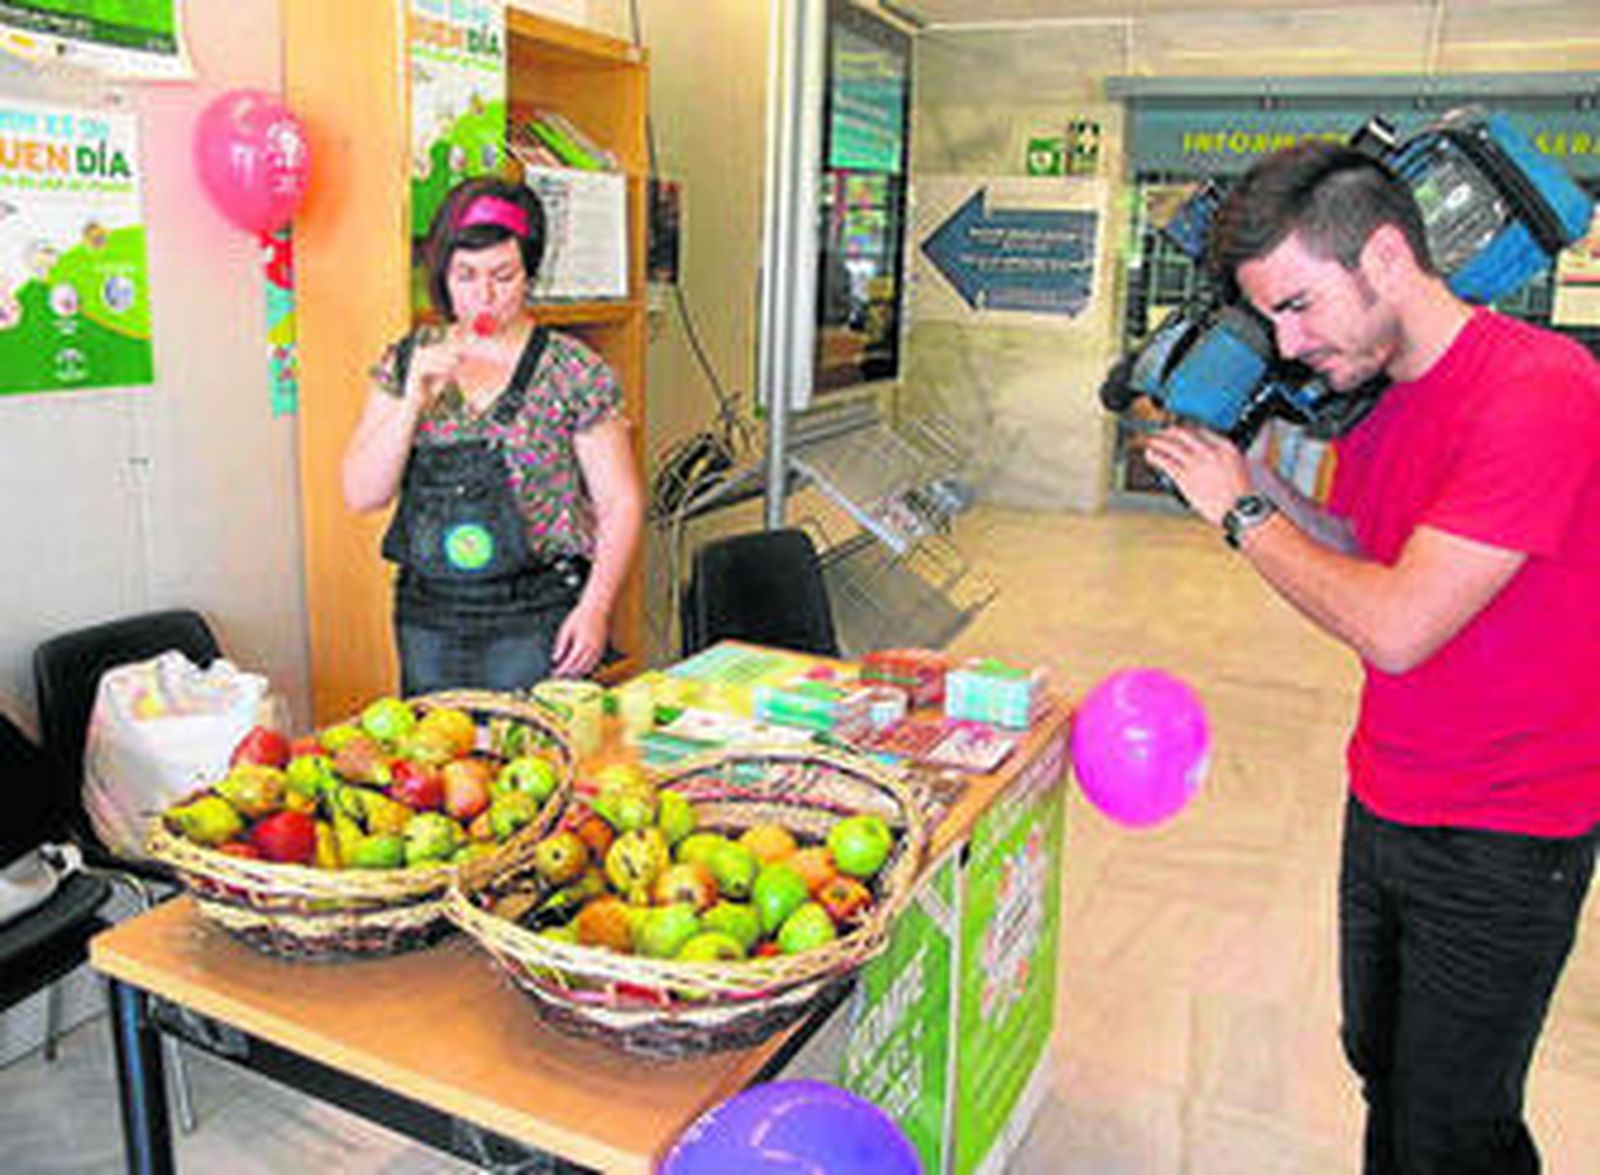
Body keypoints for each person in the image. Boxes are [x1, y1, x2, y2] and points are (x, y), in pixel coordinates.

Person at [1142, 143, 1600, 1174]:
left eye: (1301, 306)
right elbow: (1362, 547)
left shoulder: (1541, 390)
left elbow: (1397, 622)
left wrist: (1244, 511)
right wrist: (1255, 478)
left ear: (1386, 256)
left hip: (1507, 830)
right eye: (1272, 321)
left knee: (1453, 1124)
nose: (1290, 344)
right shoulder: (1382, 392)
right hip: (1387, 792)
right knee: (1381, 1063)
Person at [343, 176, 644, 694]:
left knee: (541, 762)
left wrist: (595, 609)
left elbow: (621, 502)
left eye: (503, 276)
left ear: (529, 273)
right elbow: (362, 493)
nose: (484, 295)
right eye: (466, 275)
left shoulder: (573, 370)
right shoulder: (409, 360)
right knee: (437, 764)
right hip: (428, 618)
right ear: (443, 273)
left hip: (539, 612)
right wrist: (413, 397)